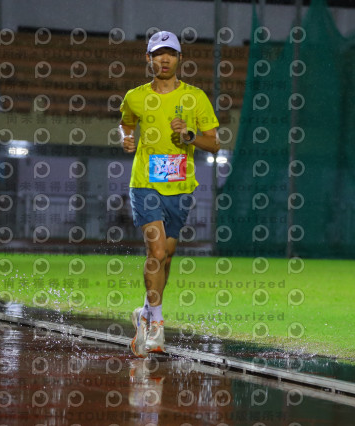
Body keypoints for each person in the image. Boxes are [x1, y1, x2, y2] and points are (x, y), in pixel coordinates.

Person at [120, 31, 220, 357]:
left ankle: (144, 314)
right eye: (158, 54)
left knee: (168, 256)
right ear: (148, 59)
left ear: (180, 59)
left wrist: (189, 136)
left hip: (180, 187)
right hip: (144, 184)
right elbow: (126, 123)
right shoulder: (134, 96)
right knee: (157, 251)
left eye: (171, 54)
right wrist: (125, 138)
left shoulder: (195, 97)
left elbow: (214, 143)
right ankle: (158, 326)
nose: (165, 59)